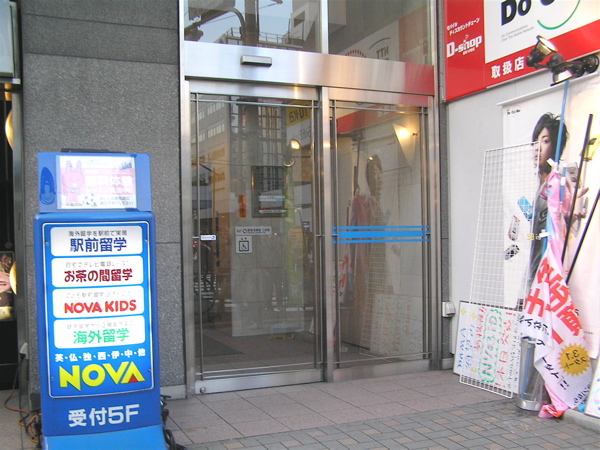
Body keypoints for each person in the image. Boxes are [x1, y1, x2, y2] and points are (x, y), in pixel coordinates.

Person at [528, 113, 568, 288]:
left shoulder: (559, 183)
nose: (537, 148)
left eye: (545, 141)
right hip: (533, 272)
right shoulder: (535, 185)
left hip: (549, 275)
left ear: (556, 147)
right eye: (535, 142)